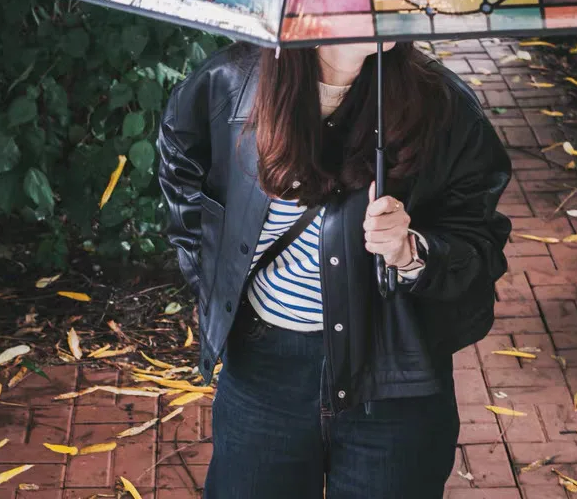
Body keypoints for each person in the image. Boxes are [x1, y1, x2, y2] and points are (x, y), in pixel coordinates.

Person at [156, 38, 512, 499]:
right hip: (264, 370)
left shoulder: (439, 103)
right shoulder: (234, 81)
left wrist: (412, 251)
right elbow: (178, 158)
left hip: (392, 375)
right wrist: (211, 274)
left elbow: (479, 236)